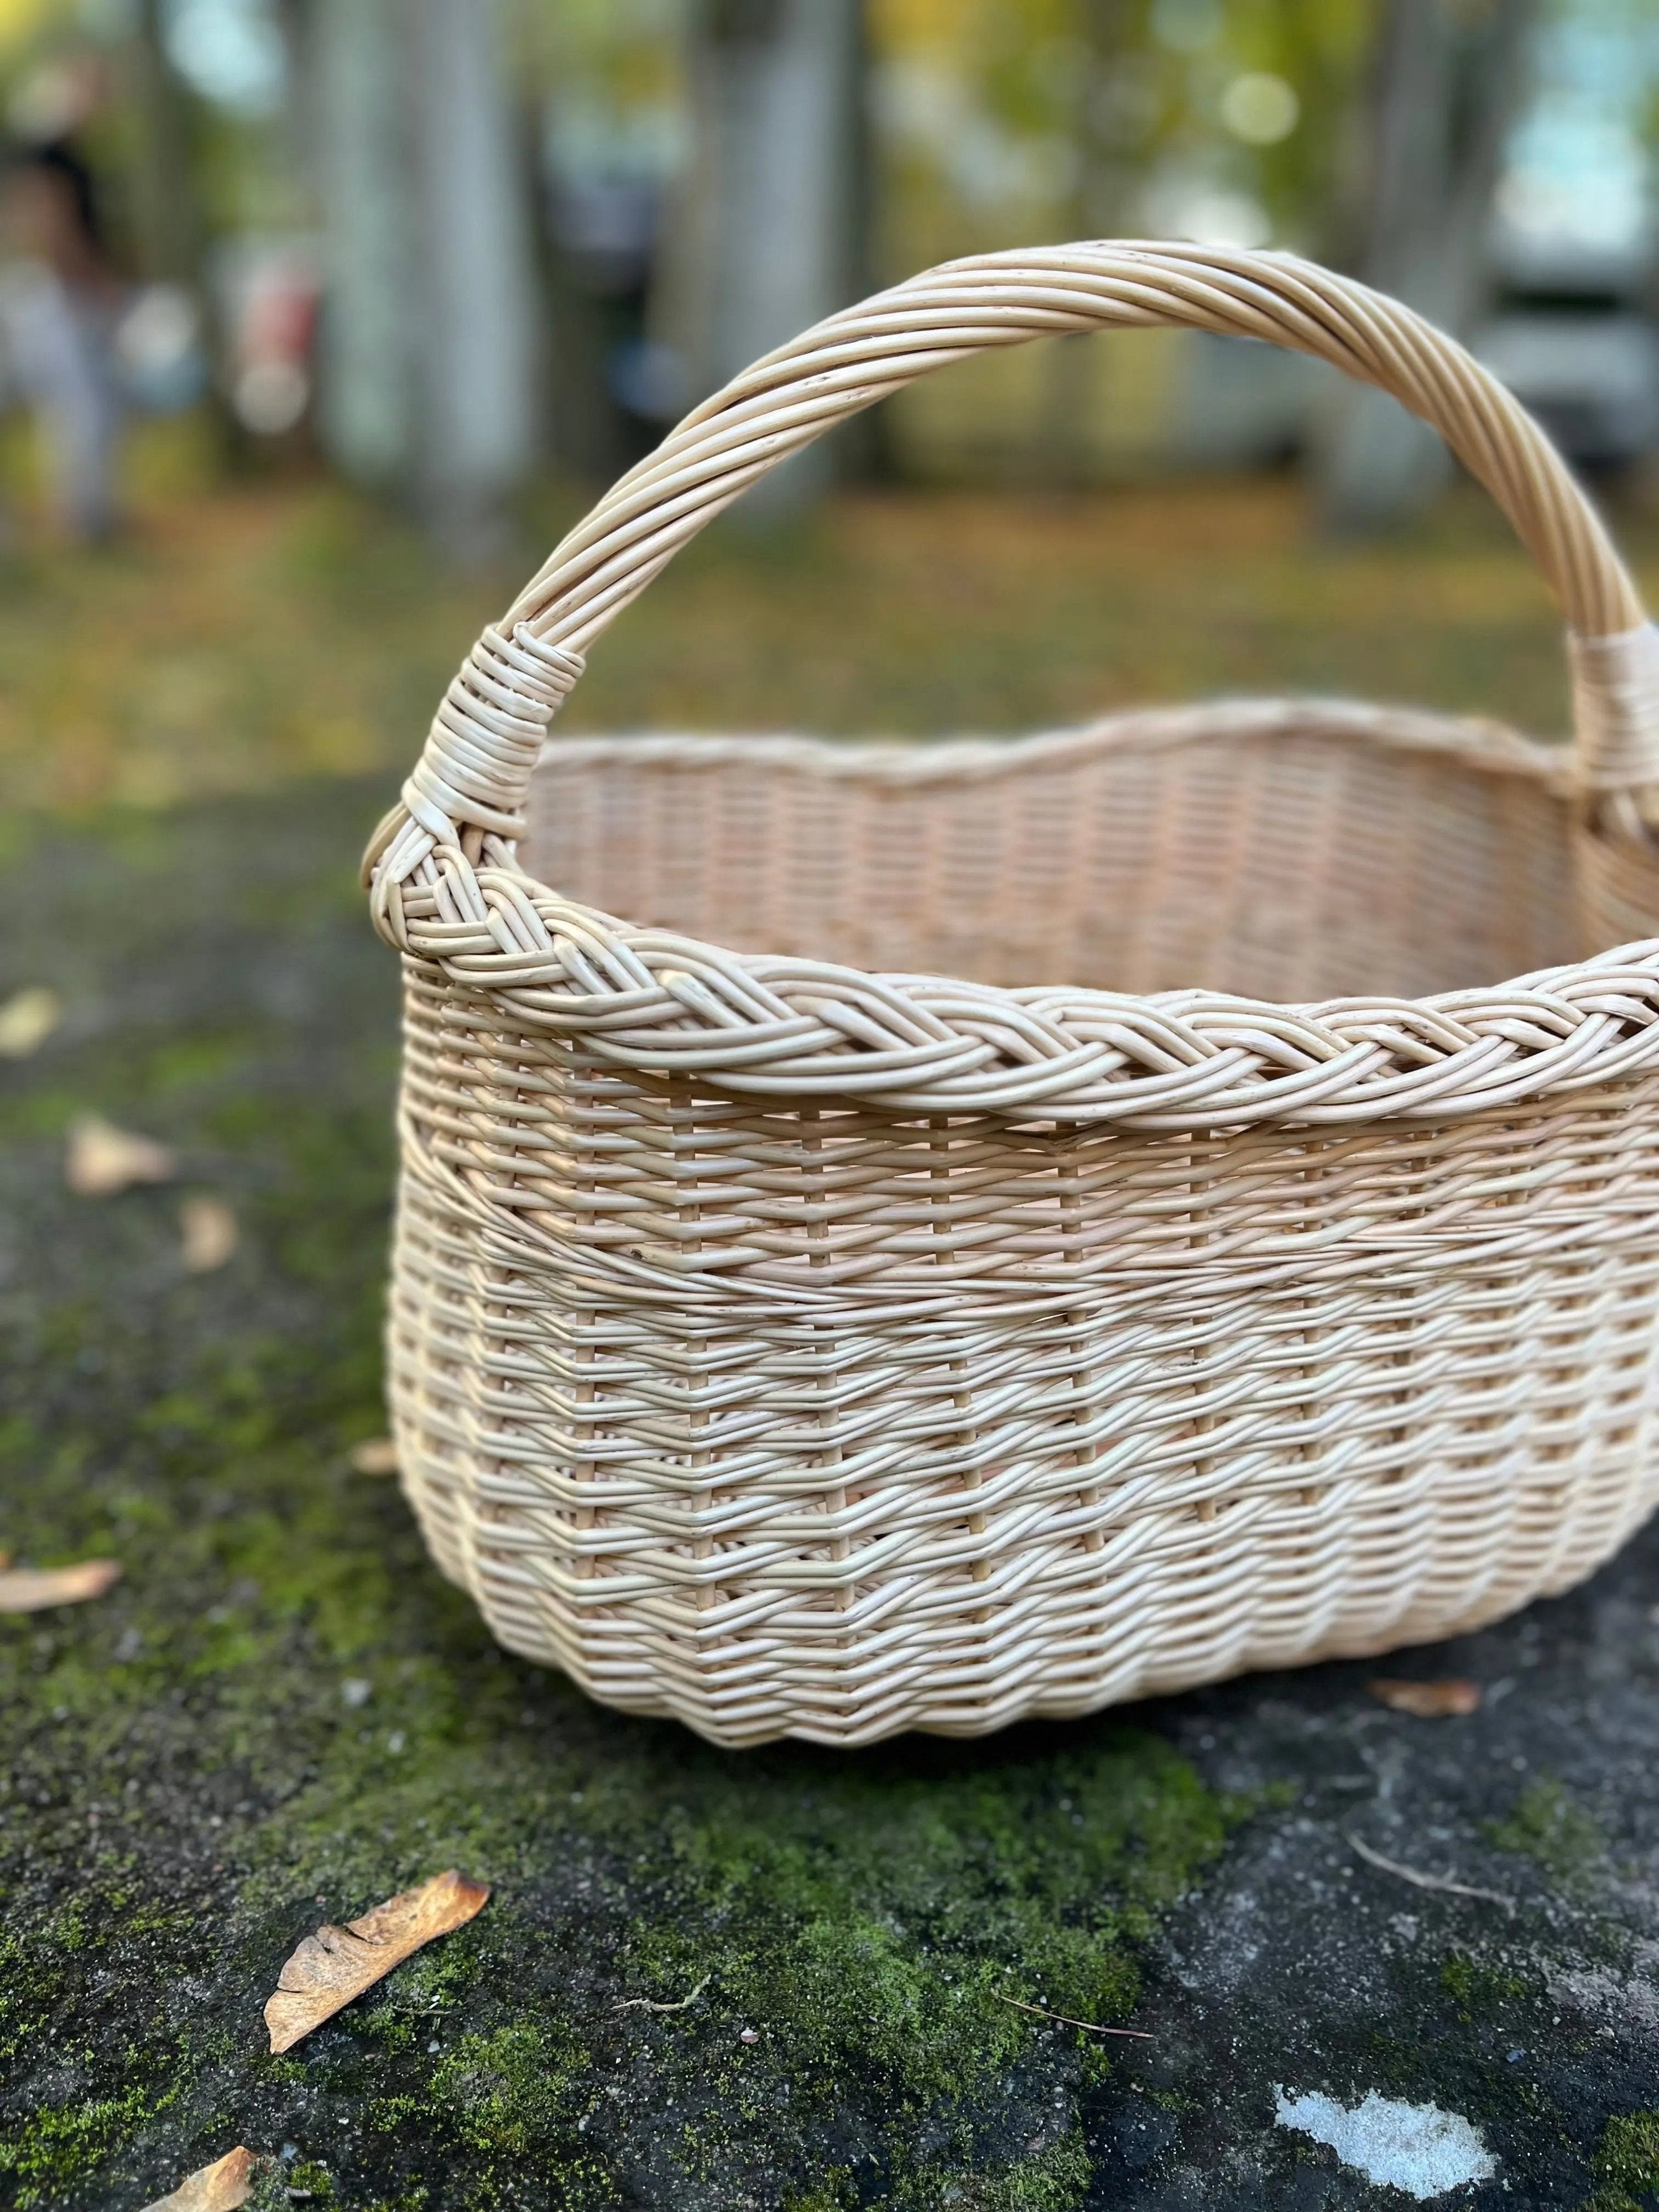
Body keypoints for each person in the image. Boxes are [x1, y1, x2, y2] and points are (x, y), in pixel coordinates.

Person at [0, 134, 123, 542]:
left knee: (74, 412)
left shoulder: (47, 152)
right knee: (85, 410)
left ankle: (81, 517)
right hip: (56, 293)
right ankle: (86, 519)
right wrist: (87, 278)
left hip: (41, 288)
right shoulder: (46, 153)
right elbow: (49, 219)